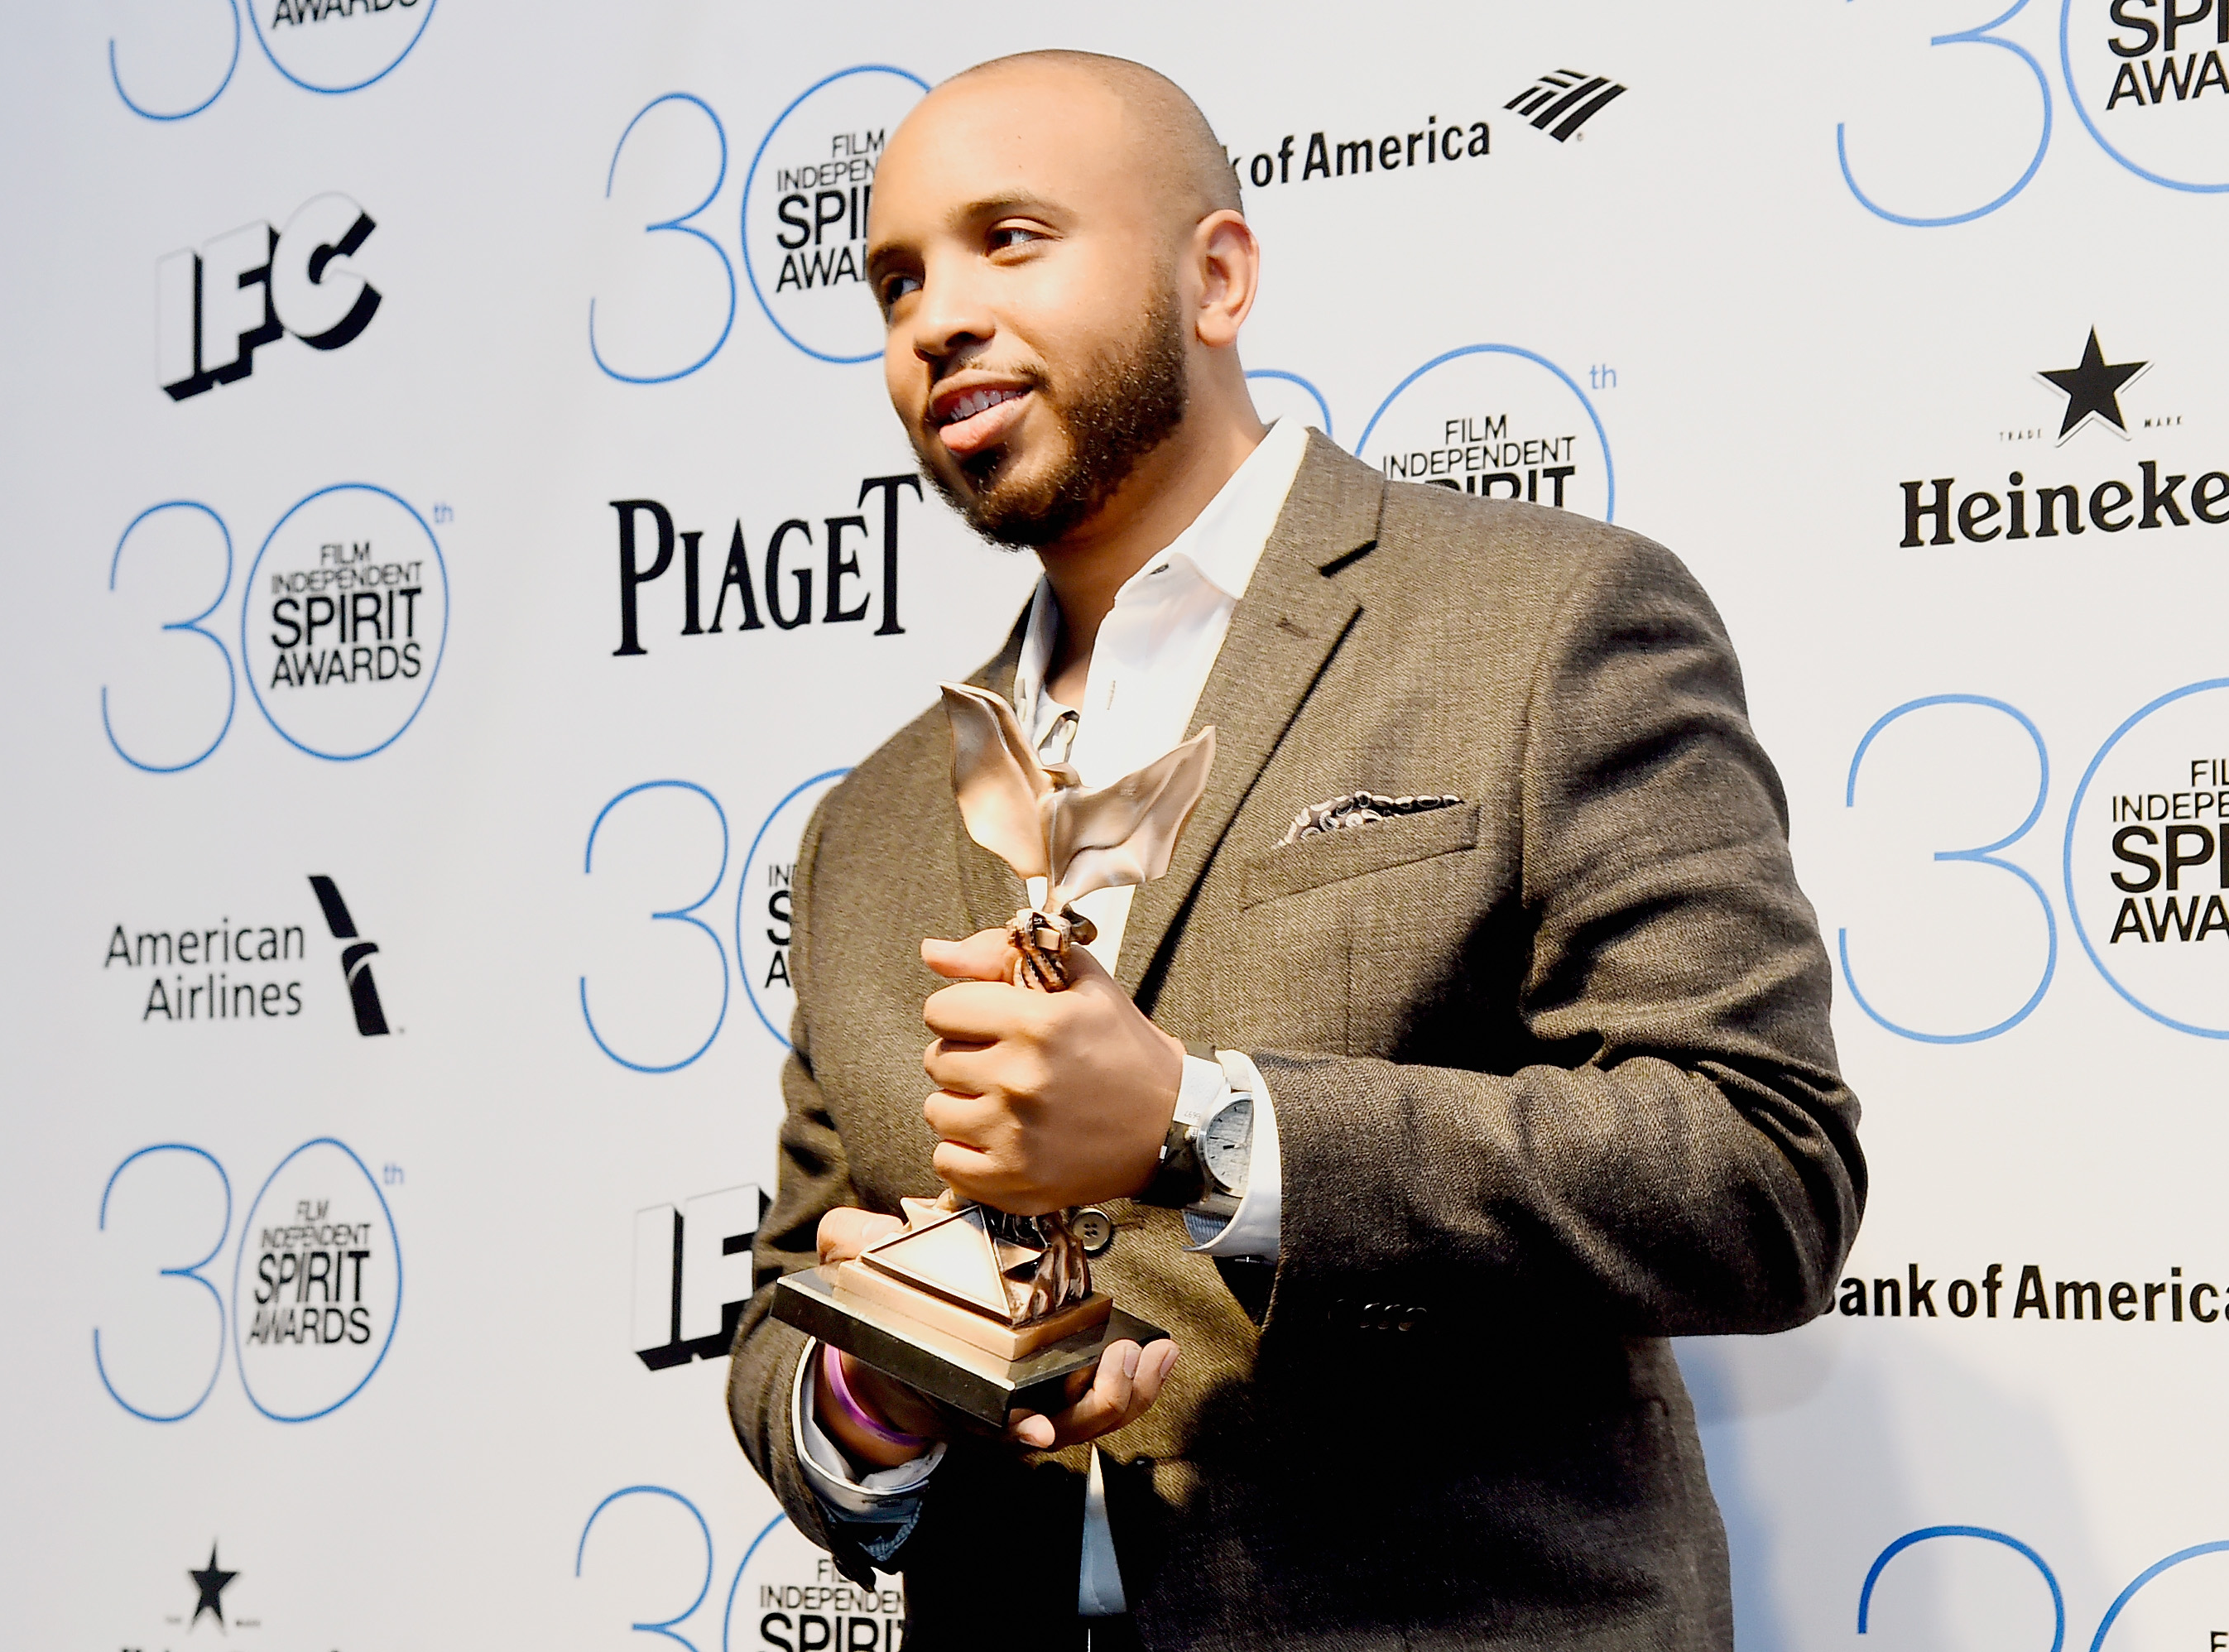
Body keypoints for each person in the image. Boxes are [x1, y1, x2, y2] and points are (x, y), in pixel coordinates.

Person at [727, 49, 1866, 1652]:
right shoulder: (869, 823)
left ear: (1217, 274)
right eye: (894, 280)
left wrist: (1200, 1123)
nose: (935, 318)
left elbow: (1760, 1170)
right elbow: (788, 1301)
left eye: (1011, 238)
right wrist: (868, 1377)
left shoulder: (1540, 623)